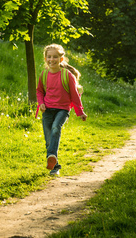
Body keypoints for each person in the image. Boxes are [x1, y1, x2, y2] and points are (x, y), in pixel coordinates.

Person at [36, 44, 87, 175]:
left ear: (61, 59)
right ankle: (54, 166)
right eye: (49, 57)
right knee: (48, 138)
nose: (51, 59)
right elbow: (40, 91)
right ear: (45, 58)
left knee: (55, 128)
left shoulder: (67, 75)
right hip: (47, 109)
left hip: (62, 109)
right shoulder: (44, 74)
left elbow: (75, 95)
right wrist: (41, 103)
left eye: (55, 57)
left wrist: (80, 112)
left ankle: (52, 158)